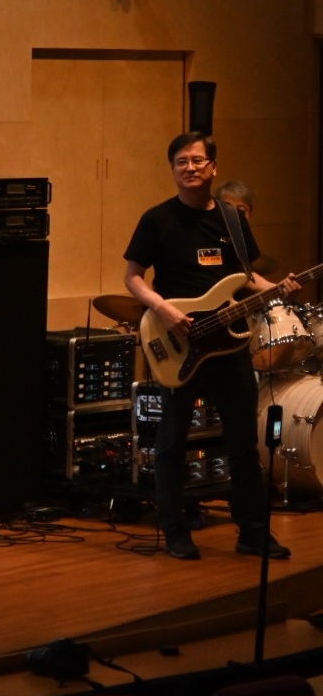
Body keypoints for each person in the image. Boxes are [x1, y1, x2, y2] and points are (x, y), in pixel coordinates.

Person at [123, 133, 296, 561]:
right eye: (181, 161)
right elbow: (133, 277)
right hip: (179, 343)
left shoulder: (233, 220)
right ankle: (175, 529)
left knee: (243, 443)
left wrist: (277, 288)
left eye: (198, 160)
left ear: (213, 167)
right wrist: (164, 310)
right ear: (173, 170)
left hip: (228, 344)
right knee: (171, 443)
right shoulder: (157, 219)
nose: (190, 168)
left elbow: (246, 277)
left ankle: (253, 532)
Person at [215, 179, 279, 276]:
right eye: (227, 209)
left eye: (241, 210)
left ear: (250, 214)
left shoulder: (247, 243)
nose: (234, 215)